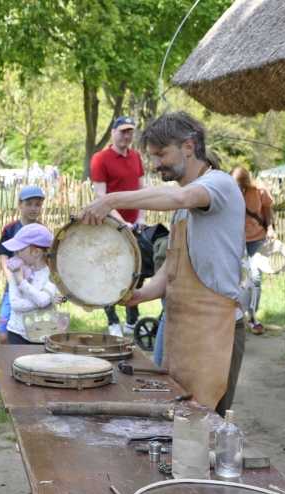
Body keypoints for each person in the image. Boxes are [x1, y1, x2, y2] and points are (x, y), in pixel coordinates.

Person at [78, 111, 246, 418]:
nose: (155, 165)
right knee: (175, 423)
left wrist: (112, 200)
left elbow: (181, 197)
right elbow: (171, 271)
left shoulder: (218, 184)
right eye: (152, 157)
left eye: (161, 154)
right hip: (179, 327)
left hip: (216, 330)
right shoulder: (179, 209)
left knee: (204, 428)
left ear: (188, 147)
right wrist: (141, 295)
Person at [90, 115, 147, 337]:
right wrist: (120, 222)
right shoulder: (100, 158)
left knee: (136, 271)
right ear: (113, 132)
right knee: (109, 272)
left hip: (135, 226)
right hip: (110, 225)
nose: (127, 136)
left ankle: (132, 318)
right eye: (123, 131)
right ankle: (112, 320)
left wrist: (140, 217)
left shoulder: (136, 157)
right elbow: (100, 195)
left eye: (130, 131)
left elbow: (142, 192)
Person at [0, 185, 46, 345]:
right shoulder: (10, 229)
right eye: (29, 204)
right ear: (20, 204)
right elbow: (4, 257)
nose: (33, 208)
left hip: (36, 290)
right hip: (13, 288)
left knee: (34, 333)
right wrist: (14, 283)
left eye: (37, 204)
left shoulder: (44, 231)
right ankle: (3, 367)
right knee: (4, 335)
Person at [232, 166, 275, 335]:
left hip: (257, 238)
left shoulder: (259, 190)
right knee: (238, 279)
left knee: (255, 277)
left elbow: (267, 206)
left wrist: (270, 228)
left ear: (244, 183)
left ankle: (252, 316)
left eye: (238, 185)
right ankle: (236, 316)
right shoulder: (227, 191)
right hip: (237, 241)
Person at [2, 223, 58, 345]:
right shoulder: (16, 270)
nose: (16, 252)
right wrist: (46, 301)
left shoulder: (53, 275)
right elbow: (15, 304)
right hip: (16, 333)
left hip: (42, 334)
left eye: (20, 249)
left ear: (36, 252)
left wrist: (21, 282)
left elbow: (43, 300)